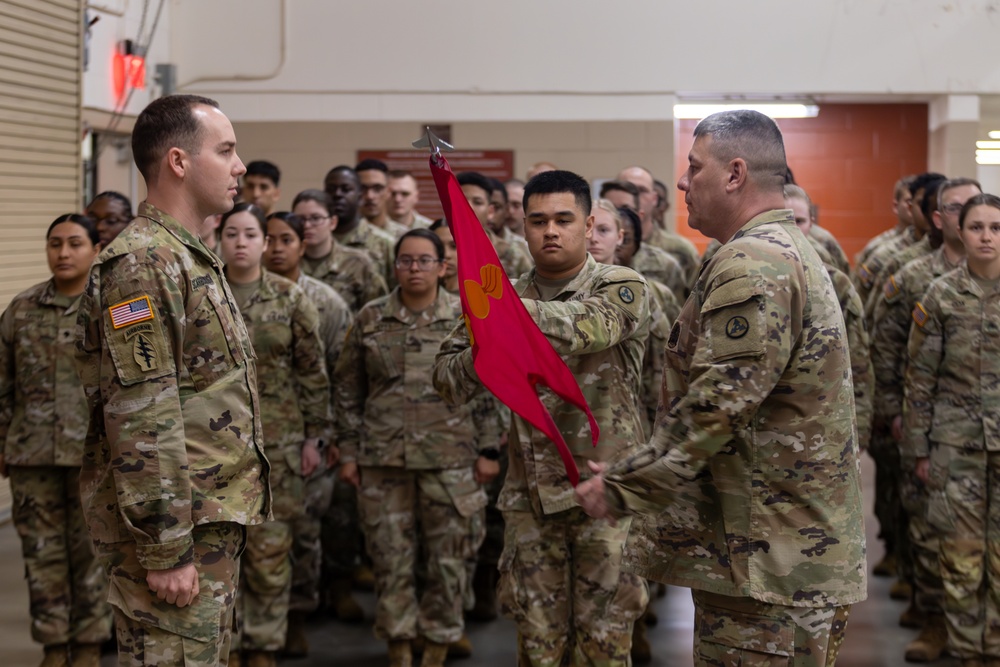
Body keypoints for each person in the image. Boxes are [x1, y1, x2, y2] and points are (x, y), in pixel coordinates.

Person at [577, 110, 867, 666]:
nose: (683, 182)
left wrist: (625, 486)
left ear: (735, 174)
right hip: (780, 551)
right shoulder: (780, 248)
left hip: (764, 559)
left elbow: (718, 404)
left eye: (694, 167)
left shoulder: (753, 261)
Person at [75, 94, 271, 666]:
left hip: (204, 523)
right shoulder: (144, 263)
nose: (240, 166)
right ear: (180, 162)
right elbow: (142, 414)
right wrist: (165, 550)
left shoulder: (188, 256)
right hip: (176, 535)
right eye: (227, 150)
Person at [434, 170, 650, 666]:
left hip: (608, 493)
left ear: (589, 223)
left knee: (603, 646)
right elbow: (447, 379)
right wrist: (484, 349)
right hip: (531, 499)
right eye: (538, 221)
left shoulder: (621, 285)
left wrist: (503, 319)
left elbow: (589, 329)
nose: (550, 231)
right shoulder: (493, 294)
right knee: (538, 646)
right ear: (523, 226)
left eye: (563, 219)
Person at [336, 229, 501, 667]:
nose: (414, 268)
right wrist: (349, 452)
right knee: (390, 559)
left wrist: (489, 450)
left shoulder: (467, 316)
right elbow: (349, 389)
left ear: (443, 267)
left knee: (451, 560)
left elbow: (488, 388)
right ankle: (399, 643)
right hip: (383, 459)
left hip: (452, 458)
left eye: (424, 260)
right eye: (406, 261)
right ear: (394, 266)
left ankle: (439, 640)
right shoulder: (370, 318)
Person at [869, 177, 980, 663]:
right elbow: (890, 351)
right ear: (940, 218)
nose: (970, 223)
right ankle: (938, 619)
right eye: (957, 210)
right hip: (940, 432)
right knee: (933, 531)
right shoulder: (916, 279)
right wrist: (894, 415)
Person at [215, 203, 330, 667]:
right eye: (231, 233)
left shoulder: (289, 298)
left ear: (266, 242)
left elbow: (312, 372)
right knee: (221, 556)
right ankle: (230, 646)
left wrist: (314, 437)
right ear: (219, 240)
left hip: (276, 448)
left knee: (270, 553)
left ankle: (263, 645)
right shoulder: (203, 294)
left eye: (250, 234)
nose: (240, 242)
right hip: (214, 448)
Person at [1, 214, 111, 667]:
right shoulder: (22, 308)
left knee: (90, 556)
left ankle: (87, 646)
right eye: (54, 244)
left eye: (74, 243)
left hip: (93, 458)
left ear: (95, 249)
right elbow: (2, 383)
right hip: (33, 456)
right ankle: (52, 645)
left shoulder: (114, 307)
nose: (63, 253)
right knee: (41, 556)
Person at [904, 193, 1000, 667]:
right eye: (978, 227)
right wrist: (918, 449)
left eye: (996, 227)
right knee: (961, 558)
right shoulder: (941, 294)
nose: (987, 236)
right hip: (955, 446)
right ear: (960, 231)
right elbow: (920, 377)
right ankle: (967, 652)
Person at [588, 200, 676, 663]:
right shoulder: (547, 291)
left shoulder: (646, 292)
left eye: (604, 230)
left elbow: (665, 372)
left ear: (622, 238)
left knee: (625, 552)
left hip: (629, 434)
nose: (592, 238)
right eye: (588, 228)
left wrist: (657, 440)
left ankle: (632, 629)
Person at [263, 210, 352, 656]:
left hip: (308, 437)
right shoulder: (231, 294)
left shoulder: (326, 302)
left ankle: (297, 614)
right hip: (255, 435)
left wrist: (329, 435)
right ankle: (256, 625)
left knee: (303, 531)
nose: (276, 248)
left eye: (286, 239)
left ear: (303, 245)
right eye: (269, 239)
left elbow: (342, 374)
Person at [295, 188, 388, 313]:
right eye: (300, 219)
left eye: (316, 218)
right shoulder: (287, 262)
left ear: (333, 222)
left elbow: (378, 312)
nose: (307, 225)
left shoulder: (358, 263)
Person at [601, 180, 688, 300]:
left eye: (625, 209)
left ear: (639, 215)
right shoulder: (583, 260)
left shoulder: (666, 264)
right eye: (610, 209)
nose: (617, 216)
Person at [618, 165, 700, 284]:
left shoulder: (680, 250)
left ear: (654, 199)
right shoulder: (597, 247)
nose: (634, 196)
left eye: (642, 190)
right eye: (627, 189)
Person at [324, 165, 398, 287]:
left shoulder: (385, 243)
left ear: (359, 197)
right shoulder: (315, 239)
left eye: (346, 189)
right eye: (331, 189)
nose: (337, 195)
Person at [456, 171, 532, 278]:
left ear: (490, 211)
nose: (469, 208)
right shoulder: (435, 246)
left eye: (477, 202)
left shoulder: (512, 255)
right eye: (462, 201)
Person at [357, 159, 408, 238]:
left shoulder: (403, 237)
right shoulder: (339, 235)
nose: (370, 196)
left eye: (377, 188)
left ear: (388, 191)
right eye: (362, 188)